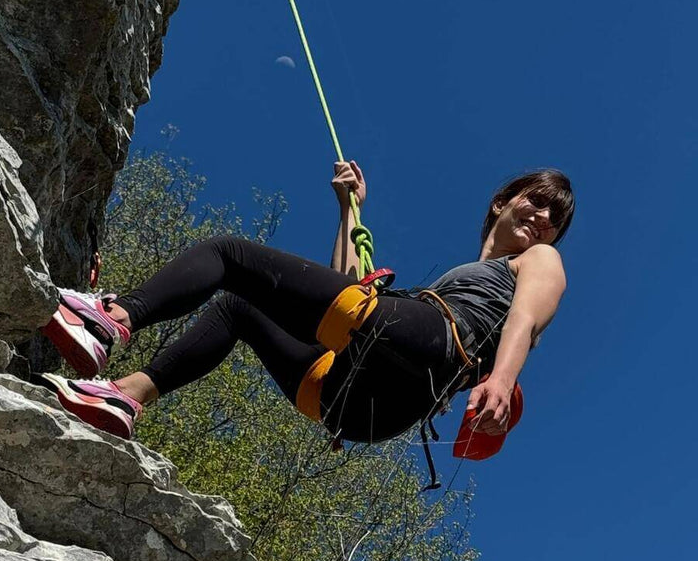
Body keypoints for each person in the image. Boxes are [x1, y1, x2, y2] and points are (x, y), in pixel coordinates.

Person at [37, 162, 574, 446]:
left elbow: (524, 321)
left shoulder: (542, 260)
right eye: (537, 200)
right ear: (503, 202)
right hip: (359, 406)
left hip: (431, 340)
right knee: (236, 309)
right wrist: (348, 211)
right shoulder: (475, 270)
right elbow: (341, 290)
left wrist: (501, 380)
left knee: (227, 254)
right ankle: (125, 398)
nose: (544, 218)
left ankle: (112, 320)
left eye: (556, 217)